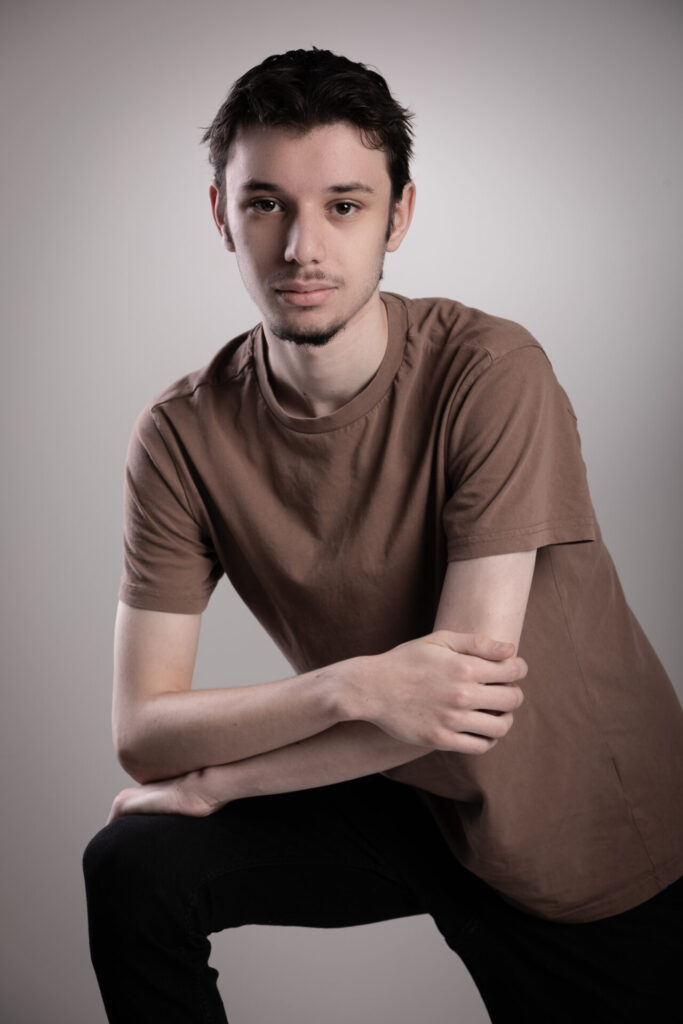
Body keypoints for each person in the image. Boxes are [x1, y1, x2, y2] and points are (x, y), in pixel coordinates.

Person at [83, 48, 682, 1023]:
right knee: (134, 866)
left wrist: (224, 780)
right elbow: (142, 731)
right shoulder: (181, 433)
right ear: (220, 216)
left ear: (399, 214)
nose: (300, 249)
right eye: (265, 204)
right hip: (397, 790)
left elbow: (462, 708)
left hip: (581, 834)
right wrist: (346, 683)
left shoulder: (489, 372)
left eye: (344, 205)